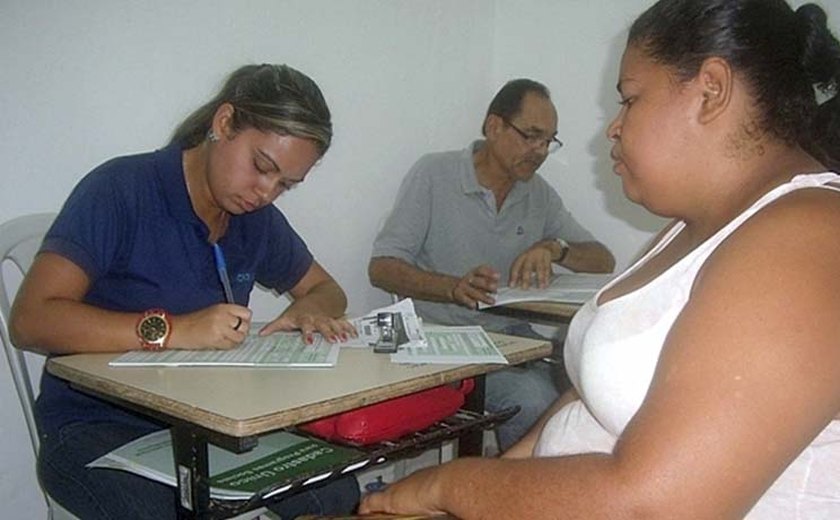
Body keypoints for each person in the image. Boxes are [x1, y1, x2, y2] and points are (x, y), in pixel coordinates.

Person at [360, 0, 840, 517]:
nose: (613, 128)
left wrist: (448, 486)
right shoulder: (692, 226)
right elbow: (592, 394)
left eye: (630, 100)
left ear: (711, 90)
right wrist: (494, 484)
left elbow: (656, 506)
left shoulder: (808, 236)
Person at [10, 64, 361, 519]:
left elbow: (326, 289)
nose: (266, 192)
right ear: (224, 123)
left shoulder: (253, 221)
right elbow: (31, 320)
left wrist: (310, 310)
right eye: (262, 166)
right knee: (174, 512)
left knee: (335, 492)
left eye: (285, 185)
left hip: (211, 427)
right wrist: (174, 329)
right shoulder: (122, 189)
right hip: (96, 427)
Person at [368, 79, 615, 450]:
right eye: (531, 135)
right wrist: (451, 288)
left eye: (548, 140)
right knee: (534, 400)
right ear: (494, 126)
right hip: (436, 339)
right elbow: (382, 267)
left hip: (508, 339)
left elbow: (602, 259)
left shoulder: (538, 193)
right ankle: (514, 498)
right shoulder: (435, 174)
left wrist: (554, 248)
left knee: (589, 389)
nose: (540, 151)